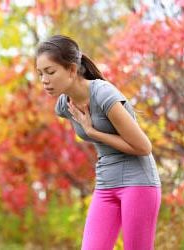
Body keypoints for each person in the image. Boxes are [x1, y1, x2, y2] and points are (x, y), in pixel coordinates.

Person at [35, 34, 162, 250]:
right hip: (105, 184)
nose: (44, 80)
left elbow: (143, 147)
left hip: (138, 182)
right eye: (40, 74)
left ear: (72, 70)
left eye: (50, 72)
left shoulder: (103, 94)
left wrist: (93, 132)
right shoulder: (63, 105)